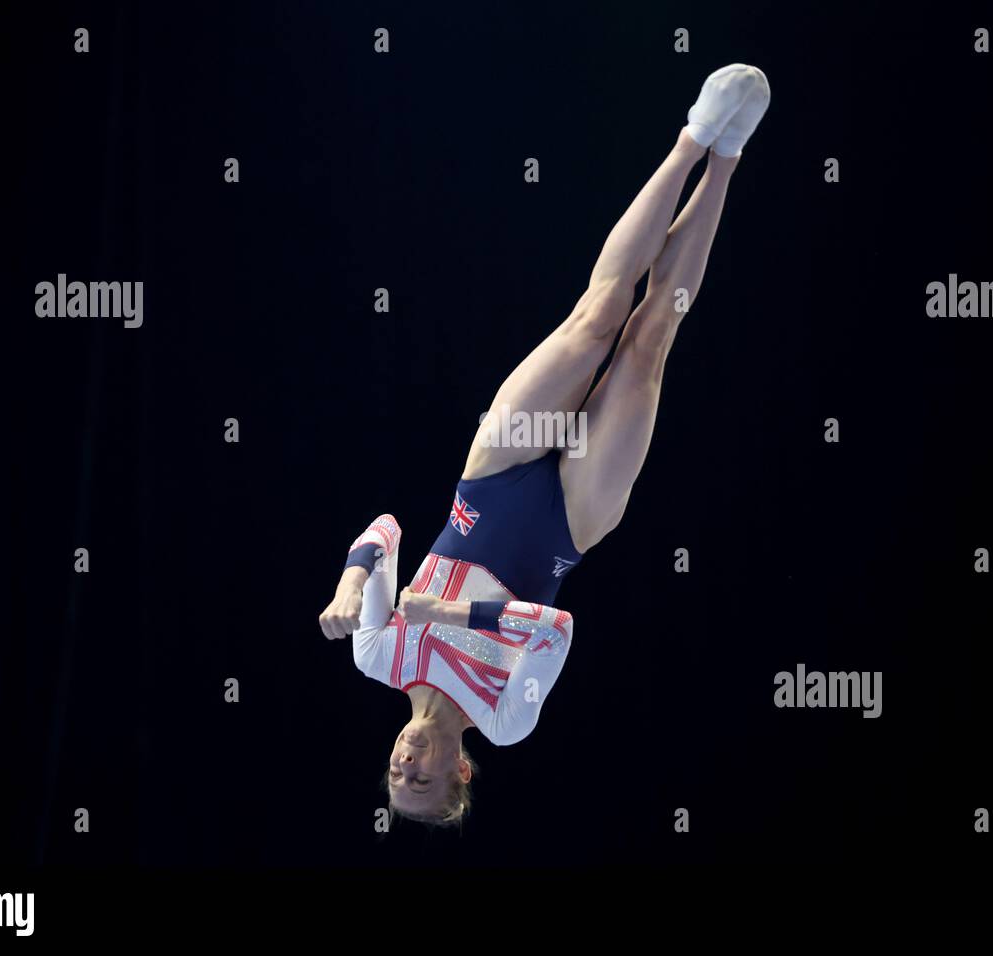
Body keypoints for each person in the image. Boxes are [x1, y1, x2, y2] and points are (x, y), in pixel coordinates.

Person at [320, 64, 771, 827]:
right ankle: (729, 154)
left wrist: (348, 587)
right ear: (459, 770)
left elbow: (384, 529)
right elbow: (555, 627)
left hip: (489, 483)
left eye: (395, 776)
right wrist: (446, 615)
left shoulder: (378, 658)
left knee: (596, 318)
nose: (405, 765)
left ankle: (691, 136)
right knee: (647, 343)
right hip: (566, 525)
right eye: (423, 782)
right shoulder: (506, 718)